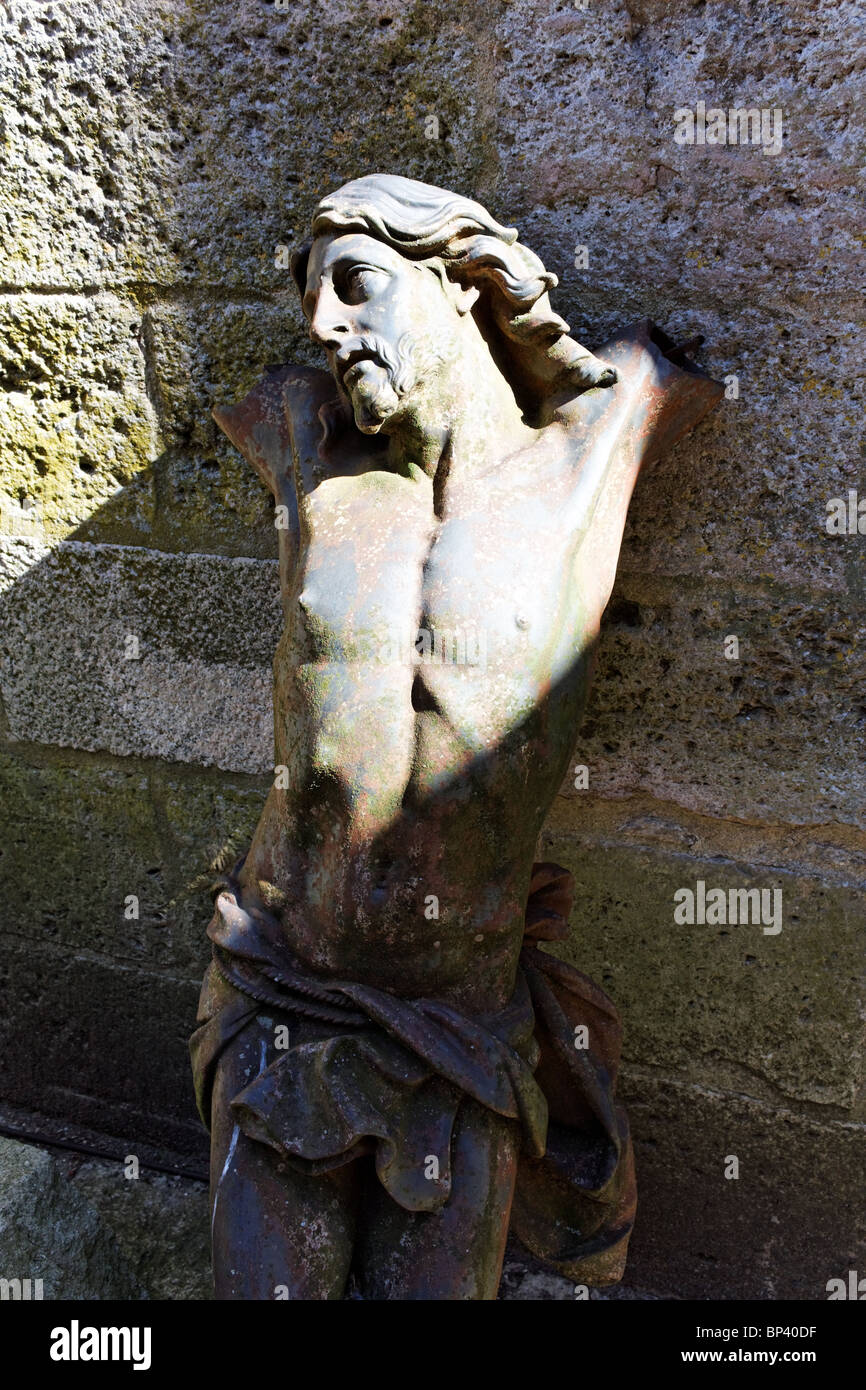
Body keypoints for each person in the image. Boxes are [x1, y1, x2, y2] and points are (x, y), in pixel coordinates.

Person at [190, 174, 722, 1300]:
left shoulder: (595, 442)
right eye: (311, 303)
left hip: (457, 1024)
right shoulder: (307, 447)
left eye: (355, 283)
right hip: (285, 991)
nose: (327, 324)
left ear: (460, 282)